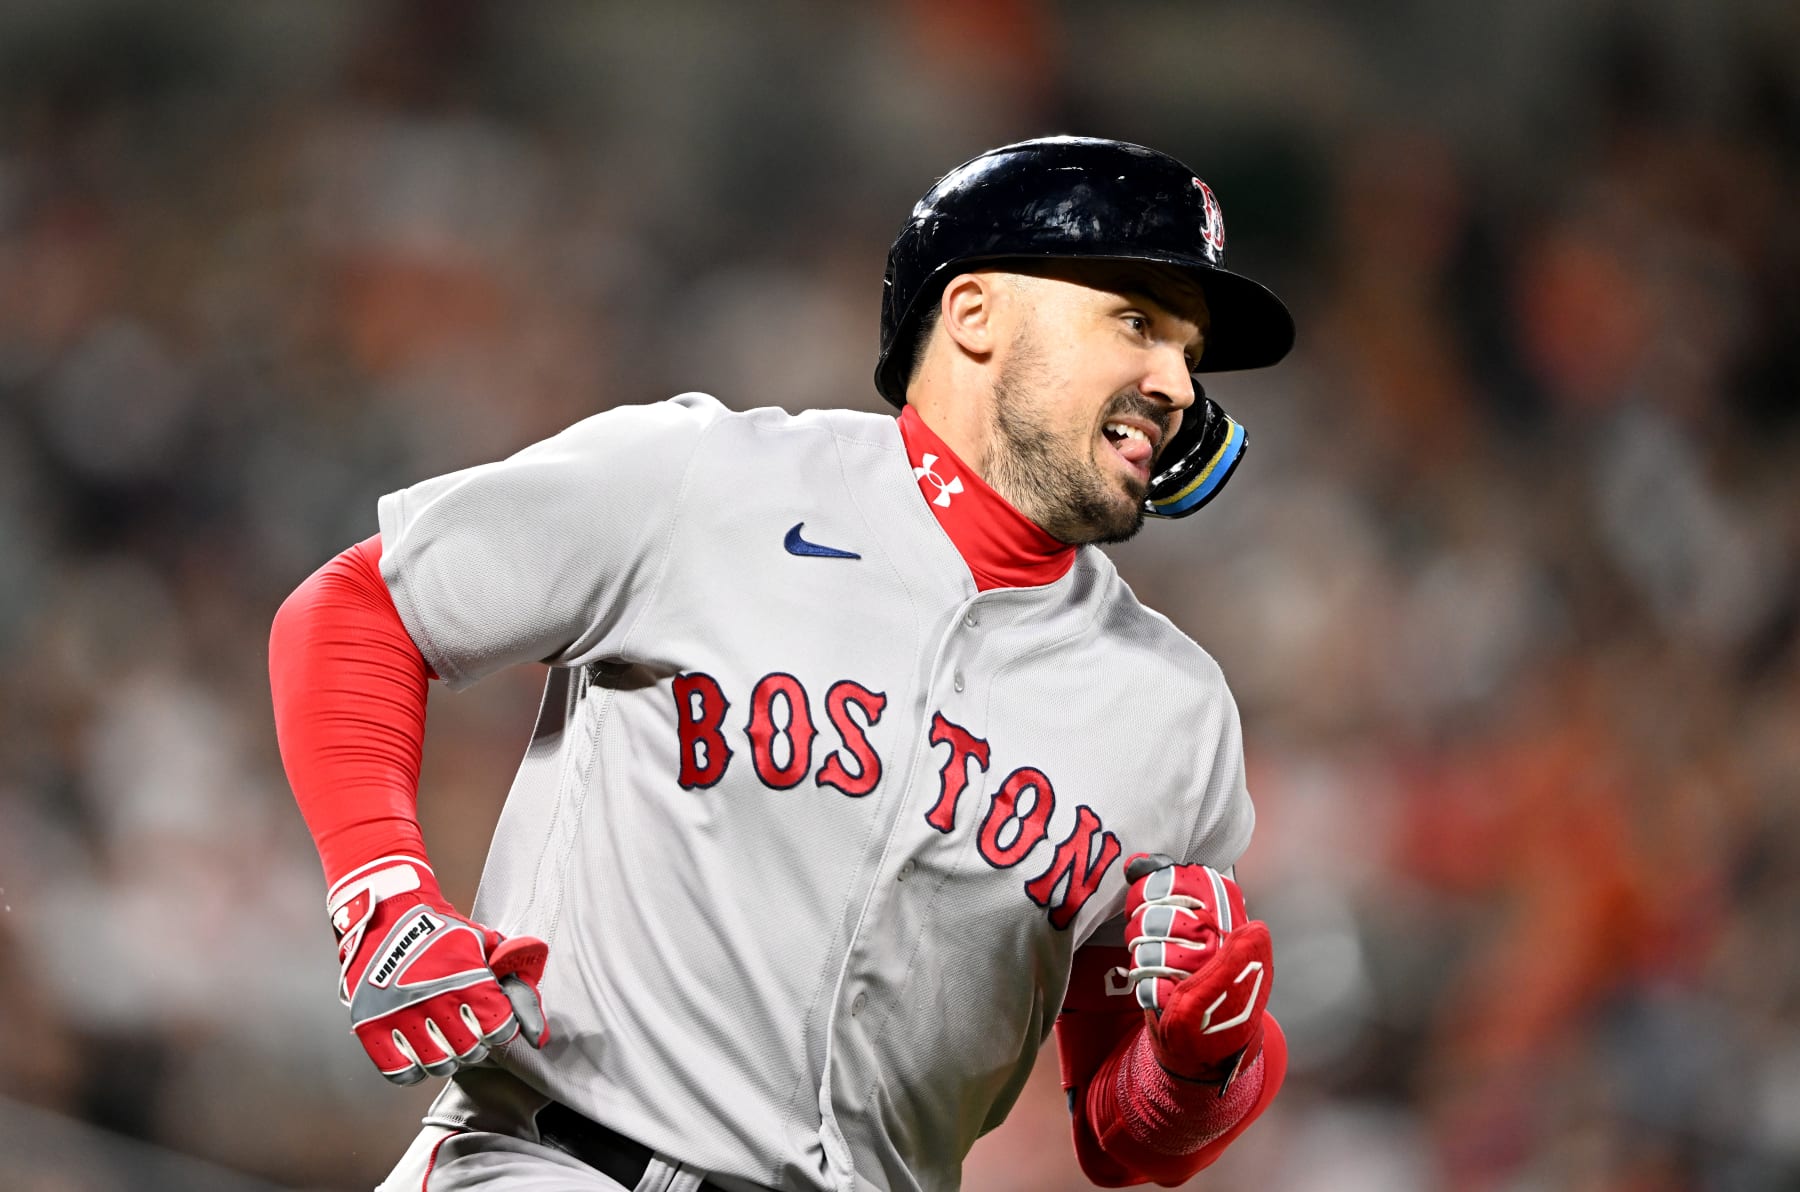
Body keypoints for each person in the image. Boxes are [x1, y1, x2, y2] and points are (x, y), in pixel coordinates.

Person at [270, 135, 1296, 1192]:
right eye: (1137, 322)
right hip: (557, 1160)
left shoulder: (1174, 713)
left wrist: (1199, 1063)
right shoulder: (708, 480)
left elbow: (1122, 1138)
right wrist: (382, 889)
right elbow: (362, 604)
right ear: (975, 313)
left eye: (1189, 351)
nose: (1177, 384)